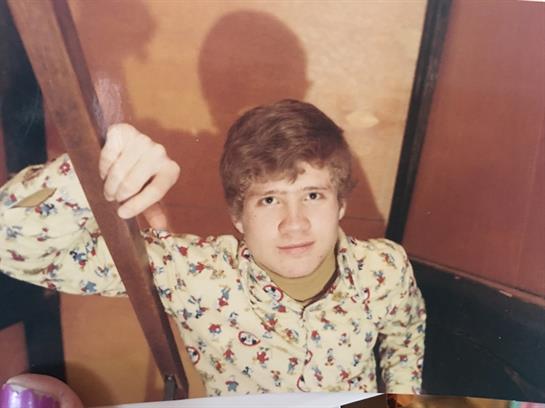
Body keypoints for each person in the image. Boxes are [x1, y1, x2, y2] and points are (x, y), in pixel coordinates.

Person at [0, 99, 426, 396]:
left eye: (313, 195)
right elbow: (11, 247)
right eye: (269, 200)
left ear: (341, 204)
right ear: (238, 216)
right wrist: (90, 173)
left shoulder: (385, 267)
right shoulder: (194, 273)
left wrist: (402, 399)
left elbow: (405, 336)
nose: (294, 223)